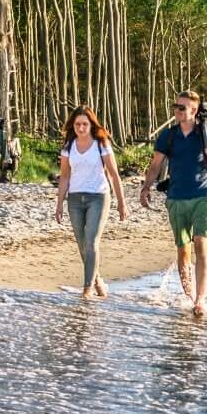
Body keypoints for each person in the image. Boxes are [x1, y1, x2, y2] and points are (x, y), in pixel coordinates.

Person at [140, 89, 207, 316]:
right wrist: (146, 187)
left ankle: (200, 299)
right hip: (176, 198)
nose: (177, 111)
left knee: (201, 244)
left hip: (203, 196)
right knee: (183, 251)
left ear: (194, 110)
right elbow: (155, 165)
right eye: (176, 106)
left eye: (182, 107)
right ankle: (189, 295)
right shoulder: (168, 136)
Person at [54, 105, 127, 298]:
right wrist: (59, 203)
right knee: (82, 244)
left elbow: (113, 174)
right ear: (73, 125)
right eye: (77, 124)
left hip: (98, 197)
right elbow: (64, 177)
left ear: (91, 124)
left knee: (92, 241)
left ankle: (87, 288)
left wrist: (121, 202)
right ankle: (97, 280)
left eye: (84, 124)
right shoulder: (68, 147)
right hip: (75, 199)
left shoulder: (101, 144)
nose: (81, 128)